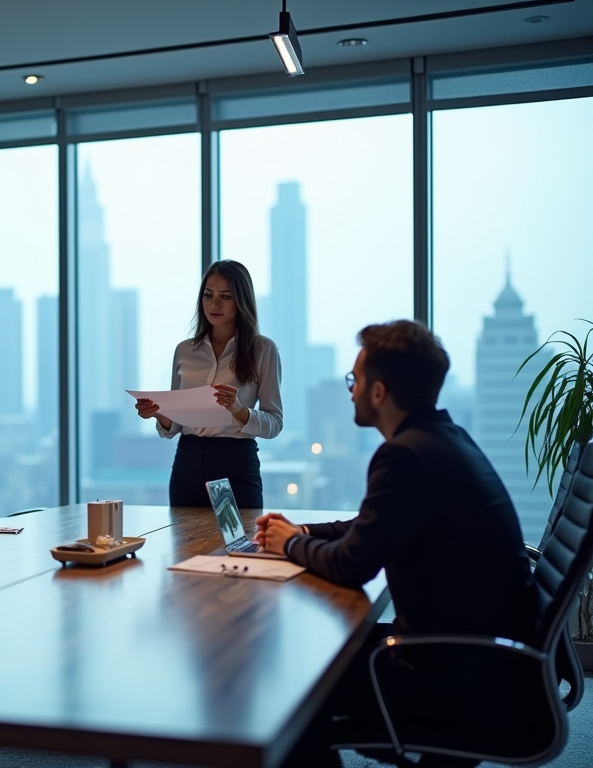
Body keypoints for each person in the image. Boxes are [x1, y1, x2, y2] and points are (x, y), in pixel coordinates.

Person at [254, 320, 537, 767]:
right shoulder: (443, 439)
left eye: (356, 380)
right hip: (488, 664)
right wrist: (304, 533)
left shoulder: (404, 456)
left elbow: (351, 565)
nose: (350, 389)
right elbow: (372, 523)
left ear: (379, 392)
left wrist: (289, 546)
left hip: (458, 679)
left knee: (294, 693)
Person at [135, 259, 282, 509]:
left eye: (225, 296)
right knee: (185, 545)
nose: (214, 304)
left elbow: (275, 424)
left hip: (235, 461)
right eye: (208, 295)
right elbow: (177, 424)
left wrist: (239, 411)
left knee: (238, 544)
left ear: (241, 301)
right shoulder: (184, 351)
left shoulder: (263, 350)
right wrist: (159, 412)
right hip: (188, 461)